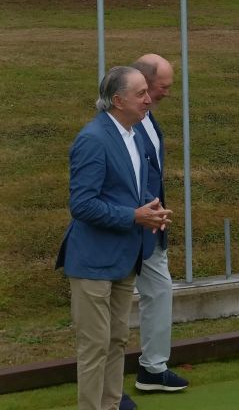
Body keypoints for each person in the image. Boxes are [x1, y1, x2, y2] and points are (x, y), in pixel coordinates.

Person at [56, 66, 172, 410]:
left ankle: (110, 404)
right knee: (94, 345)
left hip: (125, 256)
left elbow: (126, 190)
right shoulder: (92, 139)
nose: (149, 99)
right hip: (93, 261)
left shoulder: (134, 135)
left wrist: (148, 208)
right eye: (140, 94)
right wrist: (134, 216)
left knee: (117, 339)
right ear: (118, 100)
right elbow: (82, 204)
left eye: (147, 92)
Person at [128, 54, 189, 396]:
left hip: (152, 222)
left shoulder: (147, 116)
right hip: (129, 224)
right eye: (163, 86)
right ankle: (105, 388)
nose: (167, 92)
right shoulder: (123, 121)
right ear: (144, 83)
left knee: (160, 290)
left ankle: (152, 368)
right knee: (115, 303)